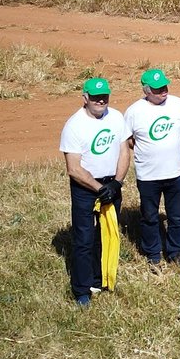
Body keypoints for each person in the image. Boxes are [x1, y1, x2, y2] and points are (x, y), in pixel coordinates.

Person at [60, 78, 131, 306]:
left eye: (105, 97)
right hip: (86, 189)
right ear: (85, 98)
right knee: (84, 239)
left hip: (112, 185)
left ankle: (101, 279)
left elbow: (123, 152)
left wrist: (117, 183)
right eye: (95, 97)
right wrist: (100, 189)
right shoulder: (74, 125)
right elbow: (73, 168)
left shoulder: (117, 117)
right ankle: (81, 289)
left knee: (108, 234)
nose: (101, 101)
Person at [125, 68, 180, 267]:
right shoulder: (134, 111)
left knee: (176, 217)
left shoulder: (178, 104)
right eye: (157, 89)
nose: (163, 91)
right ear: (146, 91)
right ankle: (153, 254)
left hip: (176, 172)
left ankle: (175, 253)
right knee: (149, 217)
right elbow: (128, 139)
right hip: (148, 175)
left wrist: (174, 141)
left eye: (165, 86)